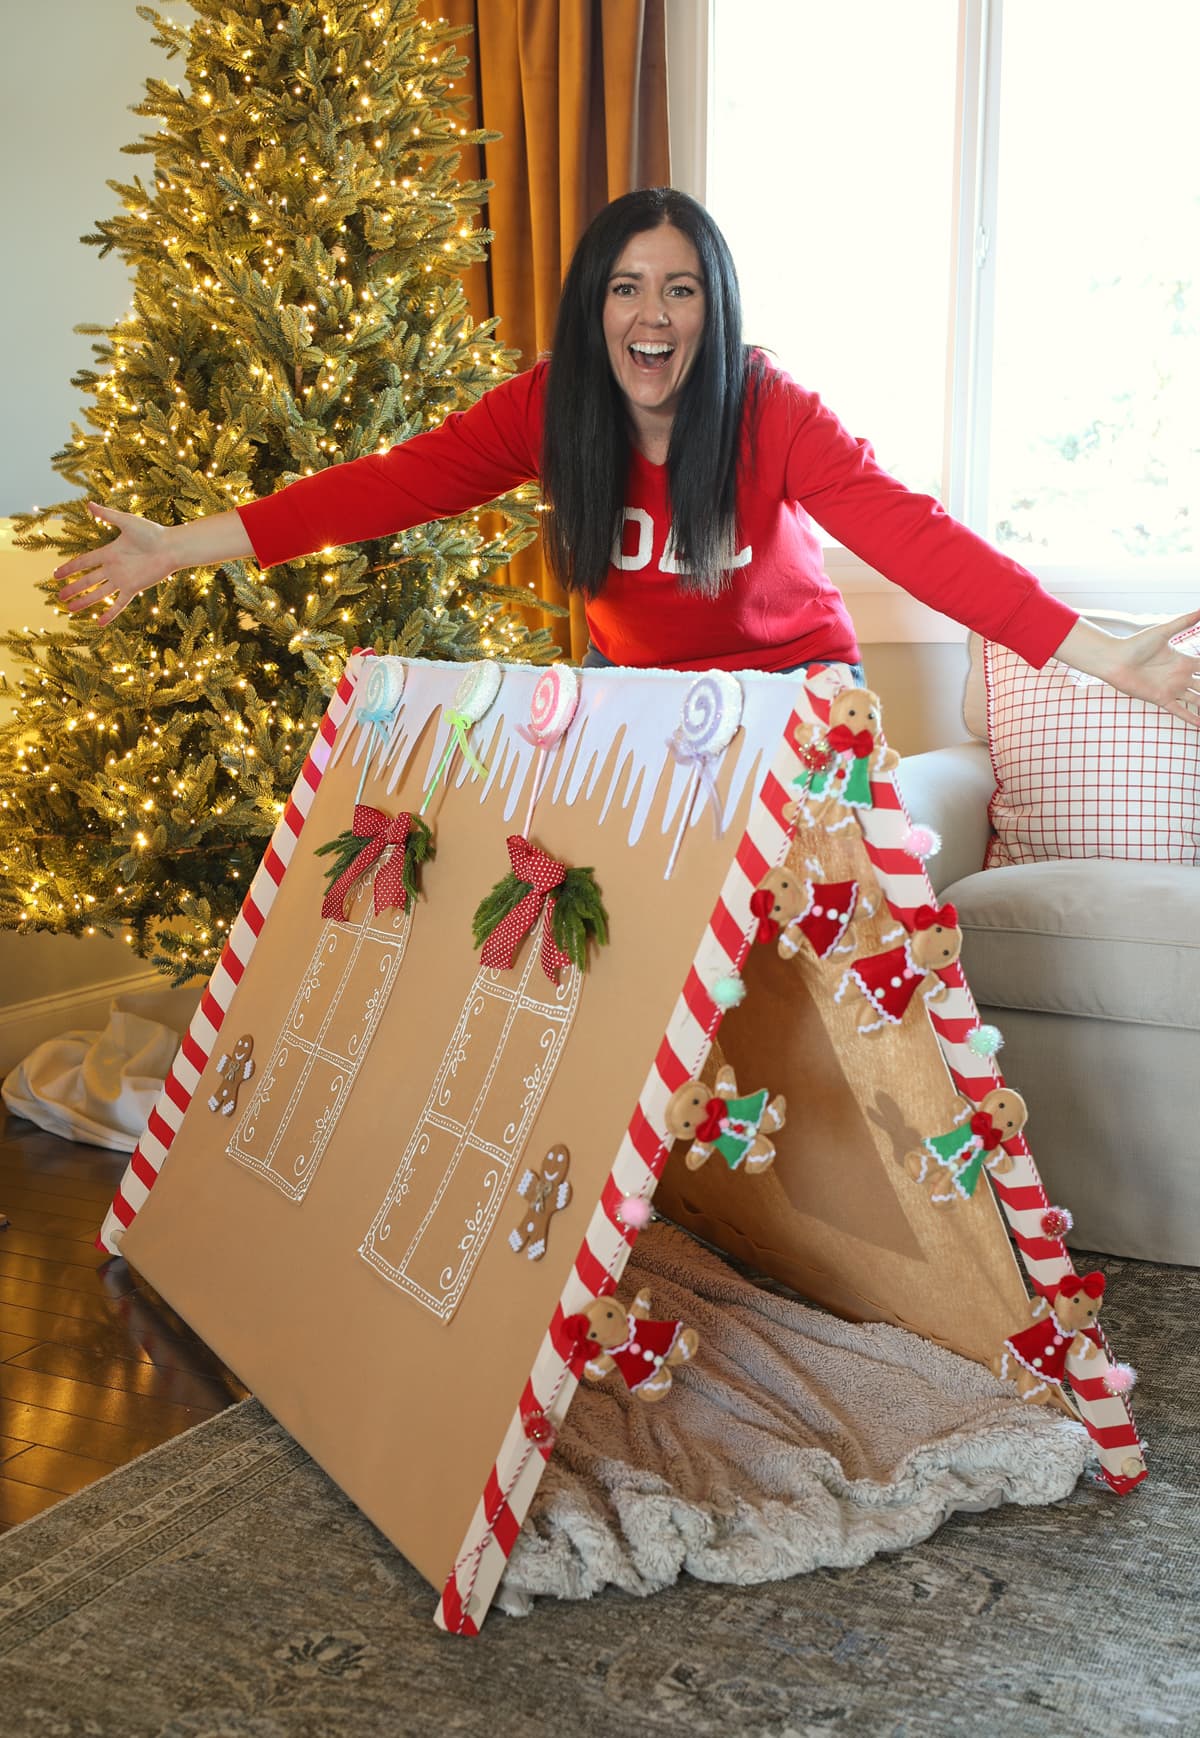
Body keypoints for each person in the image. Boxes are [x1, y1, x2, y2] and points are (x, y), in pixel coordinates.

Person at [55, 187, 1200, 722]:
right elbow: (384, 489)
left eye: (681, 288)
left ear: (713, 307)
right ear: (594, 307)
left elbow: (922, 545)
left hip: (796, 687)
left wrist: (1110, 657)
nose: (652, 313)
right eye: (626, 287)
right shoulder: (552, 410)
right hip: (638, 696)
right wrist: (178, 549)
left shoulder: (772, 412)